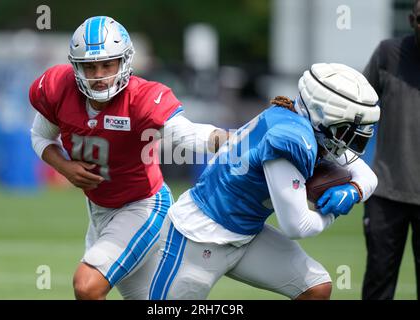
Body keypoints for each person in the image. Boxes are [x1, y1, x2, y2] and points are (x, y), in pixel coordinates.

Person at [28, 16, 227, 300]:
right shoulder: (59, 88)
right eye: (90, 66)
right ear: (76, 66)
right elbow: (40, 136)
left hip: (142, 206)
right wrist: (64, 166)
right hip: (99, 211)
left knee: (87, 285)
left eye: (107, 64)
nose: (99, 75)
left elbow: (189, 135)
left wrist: (238, 139)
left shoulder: (141, 98)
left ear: (124, 62)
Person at [148, 63, 380, 300]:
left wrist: (353, 190)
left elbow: (368, 177)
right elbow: (297, 226)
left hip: (247, 234)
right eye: (346, 130)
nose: (349, 141)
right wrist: (332, 212)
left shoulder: (304, 121)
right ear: (325, 115)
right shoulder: (292, 138)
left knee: (315, 288)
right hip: (199, 237)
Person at [361, 0, 420, 300]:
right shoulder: (388, 55)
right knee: (378, 285)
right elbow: (356, 108)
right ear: (412, 20)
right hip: (386, 193)